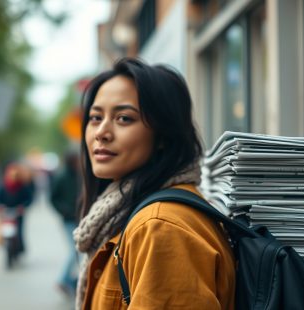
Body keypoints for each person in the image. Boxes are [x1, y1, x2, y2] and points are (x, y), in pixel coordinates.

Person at [73, 58, 236, 309]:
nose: (101, 132)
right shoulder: (132, 214)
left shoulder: (161, 226)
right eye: (95, 118)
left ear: (162, 135)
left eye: (124, 118)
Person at [50, 151, 80, 297]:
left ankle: (69, 280)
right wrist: (65, 211)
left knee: (77, 250)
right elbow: (53, 199)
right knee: (74, 250)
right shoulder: (61, 177)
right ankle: (63, 280)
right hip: (68, 220)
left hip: (80, 218)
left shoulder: (79, 176)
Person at [0, 163, 33, 255]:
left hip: (18, 213)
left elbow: (29, 198)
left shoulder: (22, 186)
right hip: (6, 213)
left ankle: (20, 248)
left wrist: (23, 206)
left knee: (19, 232)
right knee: (4, 231)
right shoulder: (3, 186)